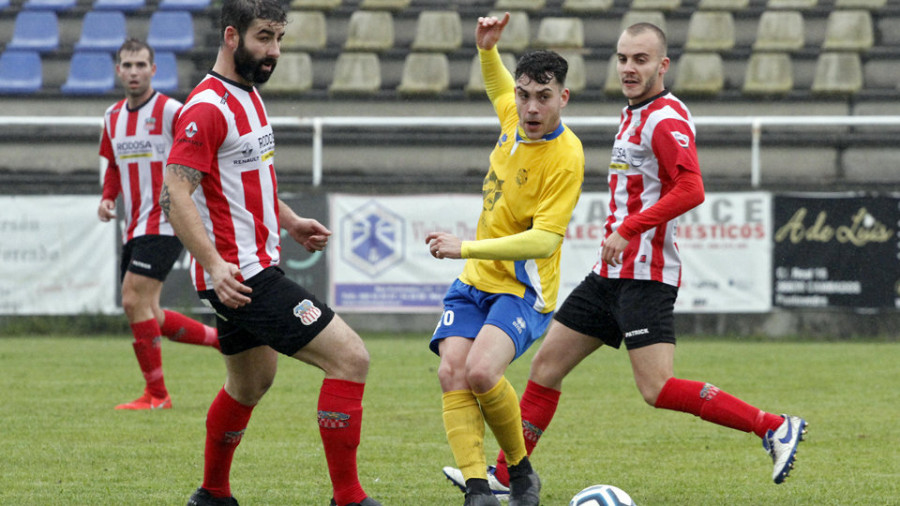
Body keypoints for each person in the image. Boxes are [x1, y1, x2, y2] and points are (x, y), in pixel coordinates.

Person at [444, 22, 809, 496]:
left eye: (641, 60)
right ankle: (503, 473)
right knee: (546, 369)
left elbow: (692, 188)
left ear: (663, 65)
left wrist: (630, 228)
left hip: (645, 275)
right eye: (623, 59)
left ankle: (772, 425)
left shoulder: (664, 119)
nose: (629, 68)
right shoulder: (635, 112)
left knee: (657, 388)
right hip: (609, 274)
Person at [159, 1, 381, 505]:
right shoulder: (207, 108)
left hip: (247, 268)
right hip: (243, 276)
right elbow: (174, 194)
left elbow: (244, 182)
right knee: (351, 358)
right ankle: (349, 497)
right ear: (232, 35)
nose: (273, 51)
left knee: (251, 383)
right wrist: (215, 266)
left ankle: (212, 494)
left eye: (279, 38)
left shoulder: (248, 94)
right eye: (264, 38)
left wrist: (292, 222)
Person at [426, 12, 585, 506]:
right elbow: (498, 86)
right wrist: (486, 50)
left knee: (480, 372)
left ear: (563, 97)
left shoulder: (566, 156)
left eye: (543, 96)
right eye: (524, 94)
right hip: (475, 280)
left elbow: (542, 241)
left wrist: (465, 247)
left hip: (523, 287)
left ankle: (519, 471)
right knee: (451, 370)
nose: (530, 106)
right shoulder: (514, 118)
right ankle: (477, 487)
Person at [98, 38, 221, 411]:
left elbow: (199, 153)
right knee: (147, 309)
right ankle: (219, 339)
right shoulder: (112, 117)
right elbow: (114, 165)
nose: (134, 71)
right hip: (133, 224)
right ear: (118, 70)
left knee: (133, 298)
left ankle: (157, 395)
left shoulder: (172, 111)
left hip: (168, 221)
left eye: (140, 65)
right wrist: (107, 197)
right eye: (127, 65)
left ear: (153, 69)